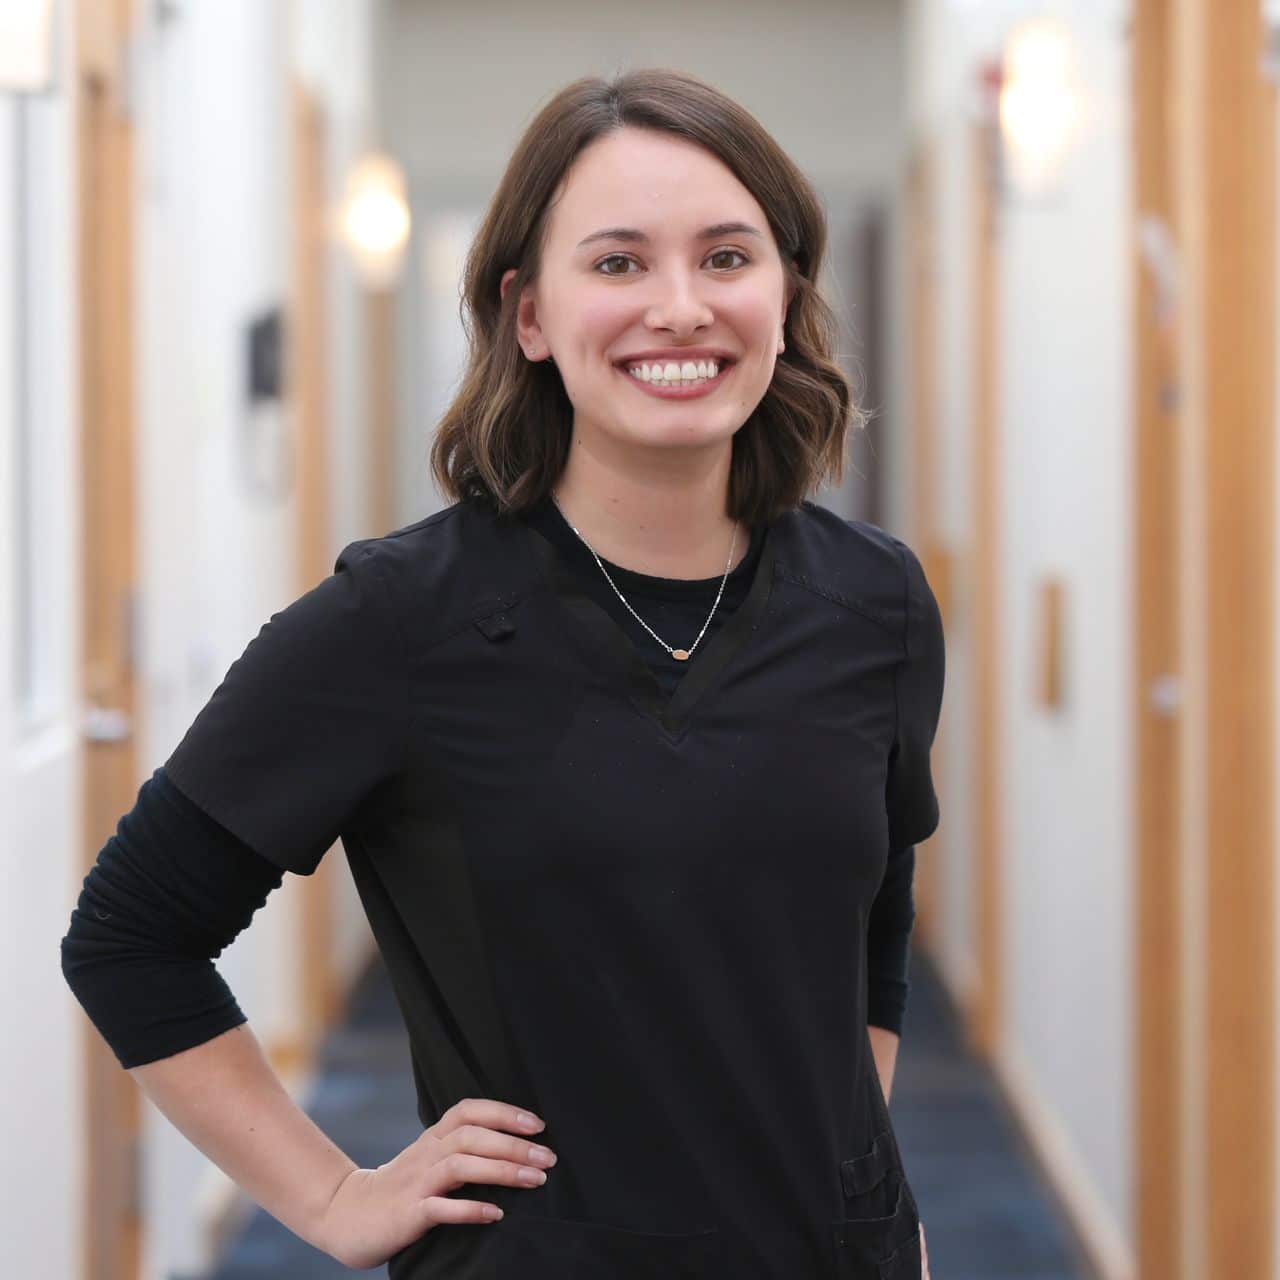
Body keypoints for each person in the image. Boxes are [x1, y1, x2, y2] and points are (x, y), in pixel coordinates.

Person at [61, 68, 942, 1279]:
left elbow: (871, 917)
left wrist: (862, 1178)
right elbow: (129, 934)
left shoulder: (874, 602)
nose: (680, 307)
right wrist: (329, 1194)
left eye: (727, 257)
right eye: (618, 263)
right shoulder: (400, 620)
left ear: (786, 295)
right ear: (527, 314)